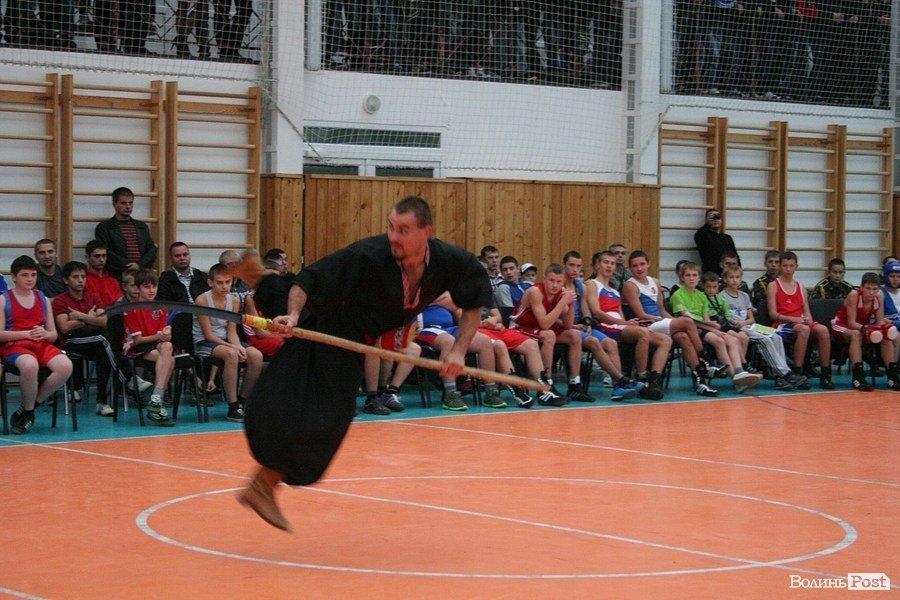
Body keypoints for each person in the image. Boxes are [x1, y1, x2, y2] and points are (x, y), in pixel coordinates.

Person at [239, 196, 492, 532]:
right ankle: (264, 483)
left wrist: (458, 351)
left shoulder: (450, 261)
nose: (394, 236)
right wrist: (294, 315)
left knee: (329, 409)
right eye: (391, 227)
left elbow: (473, 302)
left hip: (361, 334)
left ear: (426, 232)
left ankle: (258, 275)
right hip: (332, 323)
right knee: (323, 412)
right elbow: (310, 280)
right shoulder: (370, 253)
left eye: (403, 230)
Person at [623, 250, 719, 397]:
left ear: (648, 264)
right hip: (645, 324)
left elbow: (662, 309)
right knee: (687, 322)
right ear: (630, 268)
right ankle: (704, 361)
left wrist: (671, 320)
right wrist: (668, 321)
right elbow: (640, 314)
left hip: (658, 323)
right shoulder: (630, 285)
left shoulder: (655, 282)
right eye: (635, 266)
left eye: (642, 264)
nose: (639, 268)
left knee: (683, 337)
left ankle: (698, 381)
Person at [0, 256, 73, 434]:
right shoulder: (3, 299)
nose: (30, 279)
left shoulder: (43, 299)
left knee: (66, 366)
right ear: (14, 277)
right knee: (29, 365)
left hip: (40, 345)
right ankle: (28, 409)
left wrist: (46, 334)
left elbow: (53, 334)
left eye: (33, 275)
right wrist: (25, 334)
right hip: (15, 345)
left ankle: (30, 407)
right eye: (25, 275)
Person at [584, 250, 670, 400]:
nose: (609, 266)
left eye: (612, 263)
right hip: (604, 326)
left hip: (618, 326)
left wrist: (629, 324)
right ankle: (641, 378)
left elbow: (621, 316)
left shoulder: (614, 290)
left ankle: (653, 380)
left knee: (665, 340)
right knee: (642, 333)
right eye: (606, 262)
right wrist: (623, 323)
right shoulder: (592, 284)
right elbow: (596, 312)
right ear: (597, 265)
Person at [670, 261, 762, 392]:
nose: (691, 278)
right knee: (718, 340)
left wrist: (714, 328)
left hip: (704, 328)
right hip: (690, 329)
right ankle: (735, 377)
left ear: (699, 278)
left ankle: (739, 371)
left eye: (694, 275)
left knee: (733, 339)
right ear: (682, 277)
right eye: (688, 275)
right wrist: (713, 329)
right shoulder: (678, 295)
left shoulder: (701, 295)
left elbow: (706, 318)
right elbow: (687, 320)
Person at [510, 263, 593, 404]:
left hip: (539, 328)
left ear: (564, 281)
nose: (555, 285)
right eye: (551, 280)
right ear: (544, 279)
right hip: (520, 328)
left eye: (559, 282)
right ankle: (545, 386)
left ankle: (574, 384)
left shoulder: (561, 292)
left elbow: (567, 325)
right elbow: (545, 324)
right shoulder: (535, 292)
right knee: (549, 335)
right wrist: (562, 303)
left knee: (574, 335)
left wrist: (571, 304)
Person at [719, 264, 809, 391]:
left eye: (737, 277)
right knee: (764, 340)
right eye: (731, 277)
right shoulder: (722, 296)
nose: (735, 280)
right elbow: (725, 318)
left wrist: (744, 323)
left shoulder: (744, 296)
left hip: (749, 325)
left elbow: (751, 319)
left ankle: (780, 377)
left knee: (775, 336)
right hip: (736, 329)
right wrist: (739, 324)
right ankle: (786, 375)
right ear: (725, 279)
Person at [193, 263, 263, 422]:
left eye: (228, 282)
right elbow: (208, 335)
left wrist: (238, 346)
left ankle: (242, 402)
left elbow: (231, 332)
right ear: (210, 282)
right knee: (231, 354)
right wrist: (233, 347)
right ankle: (232, 406)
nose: (224, 286)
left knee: (256, 355)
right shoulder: (202, 300)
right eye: (220, 283)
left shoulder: (234, 301)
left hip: (225, 340)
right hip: (204, 342)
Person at [52, 260, 117, 416]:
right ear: (66, 280)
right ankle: (127, 377)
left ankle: (102, 402)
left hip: (95, 340)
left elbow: (104, 321)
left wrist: (81, 317)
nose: (80, 280)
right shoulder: (61, 300)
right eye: (75, 277)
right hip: (71, 342)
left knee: (104, 351)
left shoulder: (93, 297)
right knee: (106, 340)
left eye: (83, 276)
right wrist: (90, 318)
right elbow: (64, 327)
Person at [767, 251, 834, 389]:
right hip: (782, 324)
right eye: (785, 266)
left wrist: (808, 320)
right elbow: (773, 314)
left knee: (823, 330)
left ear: (796, 267)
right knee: (803, 329)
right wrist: (795, 319)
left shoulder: (801, 287)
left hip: (799, 322)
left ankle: (825, 374)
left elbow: (807, 312)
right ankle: (797, 373)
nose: (788, 269)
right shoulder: (773, 286)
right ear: (780, 266)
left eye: (791, 266)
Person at [122, 269, 176, 426]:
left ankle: (155, 401)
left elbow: (163, 335)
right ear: (138, 288)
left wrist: (166, 335)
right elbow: (138, 339)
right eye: (146, 287)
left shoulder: (161, 308)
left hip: (154, 343)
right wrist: (160, 336)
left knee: (167, 346)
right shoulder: (131, 308)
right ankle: (158, 401)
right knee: (169, 360)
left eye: (154, 286)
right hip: (135, 346)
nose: (151, 290)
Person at [830, 272, 900, 391]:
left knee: (886, 336)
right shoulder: (854, 296)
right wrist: (866, 329)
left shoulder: (879, 296)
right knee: (856, 335)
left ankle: (892, 377)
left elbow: (880, 321)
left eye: (874, 289)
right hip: (842, 326)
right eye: (868, 288)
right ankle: (858, 377)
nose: (871, 292)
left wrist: (885, 328)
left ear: (878, 289)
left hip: (862, 327)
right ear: (861, 287)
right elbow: (851, 323)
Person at [94, 187, 158, 280]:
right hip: (116, 275)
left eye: (130, 203)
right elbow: (105, 252)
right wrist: (127, 265)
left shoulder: (142, 226)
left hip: (141, 275)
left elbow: (151, 249)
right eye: (123, 203)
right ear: (114, 204)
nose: (128, 206)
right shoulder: (104, 228)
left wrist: (139, 265)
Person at [694, 208, 739, 276]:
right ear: (706, 221)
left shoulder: (727, 238)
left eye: (718, 217)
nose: (715, 219)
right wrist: (708, 223)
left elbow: (735, 256)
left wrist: (739, 271)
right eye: (711, 218)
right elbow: (700, 234)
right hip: (711, 275)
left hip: (729, 275)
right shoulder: (703, 236)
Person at [84, 240, 123, 307]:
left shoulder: (113, 282)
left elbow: (119, 305)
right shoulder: (83, 280)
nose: (101, 260)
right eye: (97, 256)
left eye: (104, 256)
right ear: (87, 257)